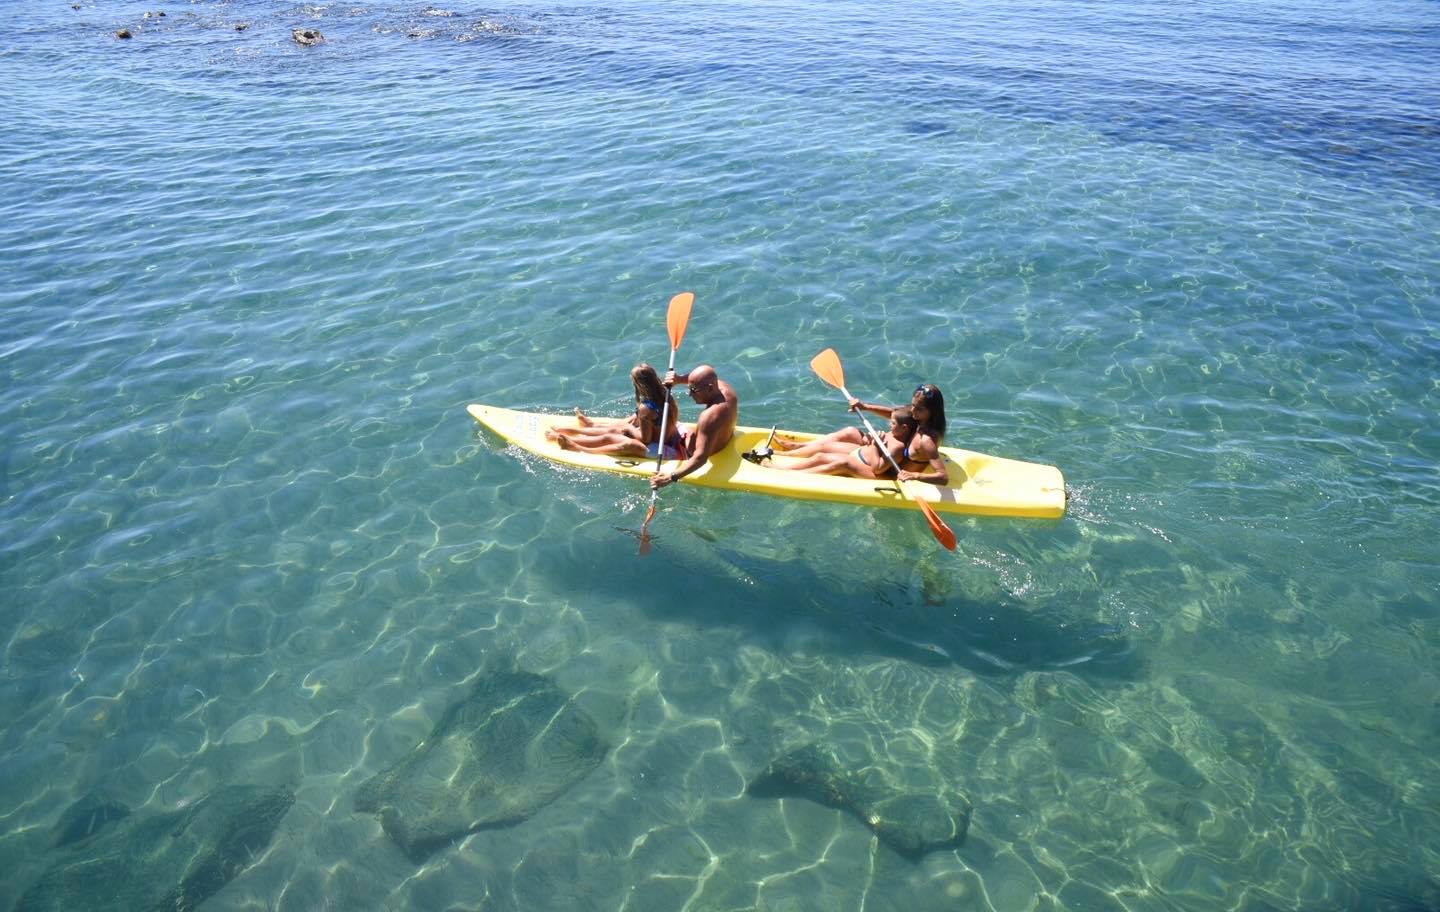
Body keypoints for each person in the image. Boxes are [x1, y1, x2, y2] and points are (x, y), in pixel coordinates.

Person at [775, 382, 949, 485]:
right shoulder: (917, 417)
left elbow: (943, 477)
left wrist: (914, 475)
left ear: (932, 412)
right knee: (850, 432)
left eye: (918, 409)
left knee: (842, 462)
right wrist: (864, 407)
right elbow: (896, 414)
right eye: (912, 405)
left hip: (887, 473)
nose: (913, 411)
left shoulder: (926, 441)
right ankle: (795, 449)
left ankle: (786, 473)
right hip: (885, 453)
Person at [545, 363, 682, 457]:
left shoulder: (646, 409)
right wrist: (629, 426)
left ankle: (576, 446)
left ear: (639, 384)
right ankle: (582, 428)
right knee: (618, 428)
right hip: (668, 437)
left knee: (614, 437)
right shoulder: (665, 394)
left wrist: (629, 429)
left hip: (662, 447)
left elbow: (646, 440)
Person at [649, 364, 739, 489]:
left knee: (637, 436)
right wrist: (679, 379)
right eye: (689, 388)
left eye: (694, 390)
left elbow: (700, 459)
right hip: (723, 441)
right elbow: (702, 379)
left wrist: (671, 477)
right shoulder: (726, 390)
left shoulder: (709, 417)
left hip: (688, 453)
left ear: (710, 388)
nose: (690, 394)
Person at [777, 407, 920, 479]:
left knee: (838, 463)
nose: (889, 424)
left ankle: (789, 473)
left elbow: (877, 469)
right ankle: (787, 452)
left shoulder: (898, 447)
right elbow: (876, 445)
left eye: (893, 422)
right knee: (821, 454)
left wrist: (875, 447)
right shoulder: (895, 433)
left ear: (904, 428)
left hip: (869, 467)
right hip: (862, 454)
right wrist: (869, 440)